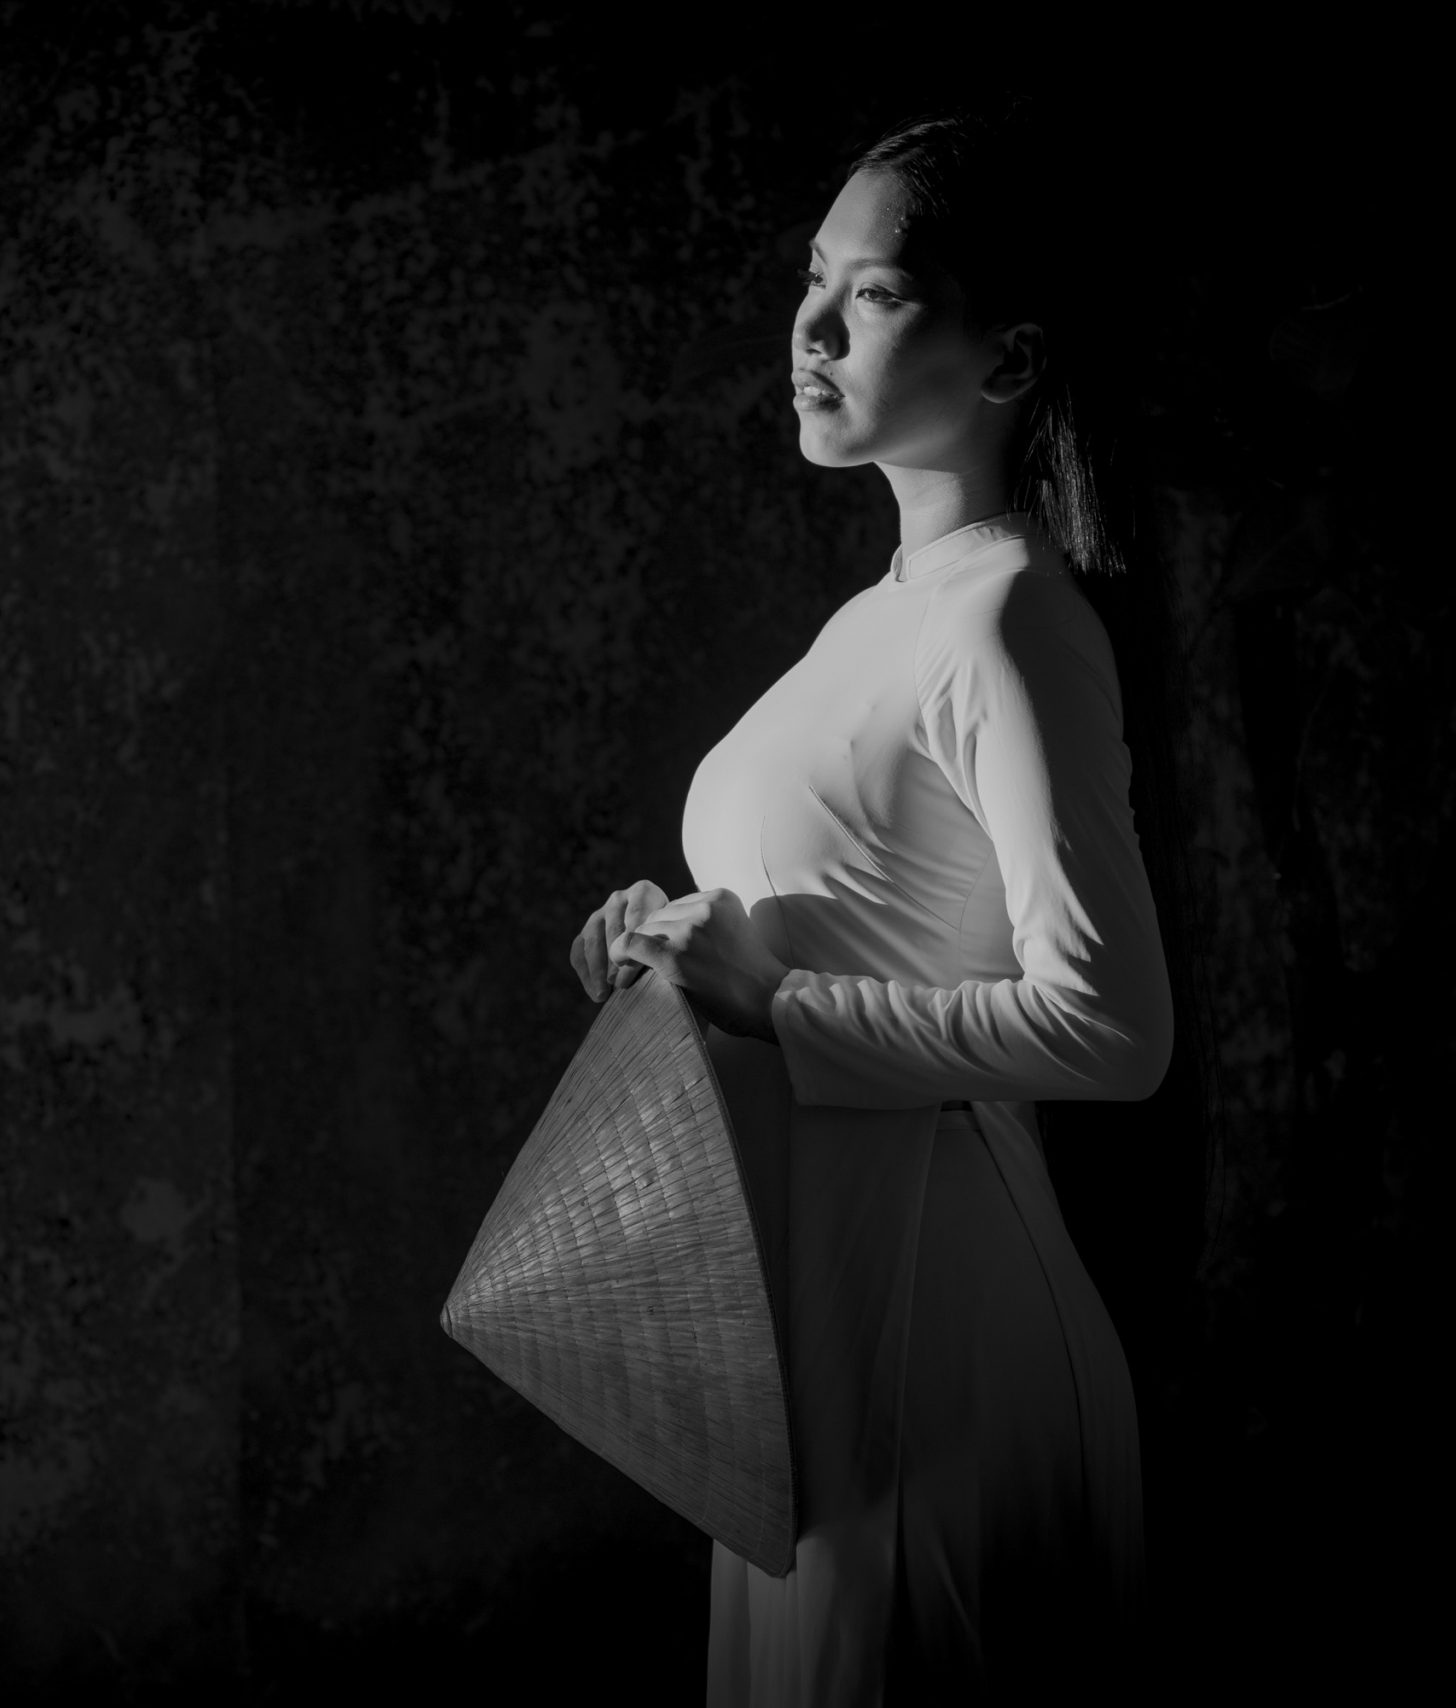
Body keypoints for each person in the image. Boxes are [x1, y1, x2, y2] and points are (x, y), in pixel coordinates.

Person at [565, 106, 1172, 1704]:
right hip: (815, 1322)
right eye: (812, 280)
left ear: (1012, 356)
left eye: (878, 293)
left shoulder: (1012, 618)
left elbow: (1114, 1030)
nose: (814, 328)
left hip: (940, 1332)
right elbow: (837, 915)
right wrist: (673, 954)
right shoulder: (877, 621)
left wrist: (776, 1001)